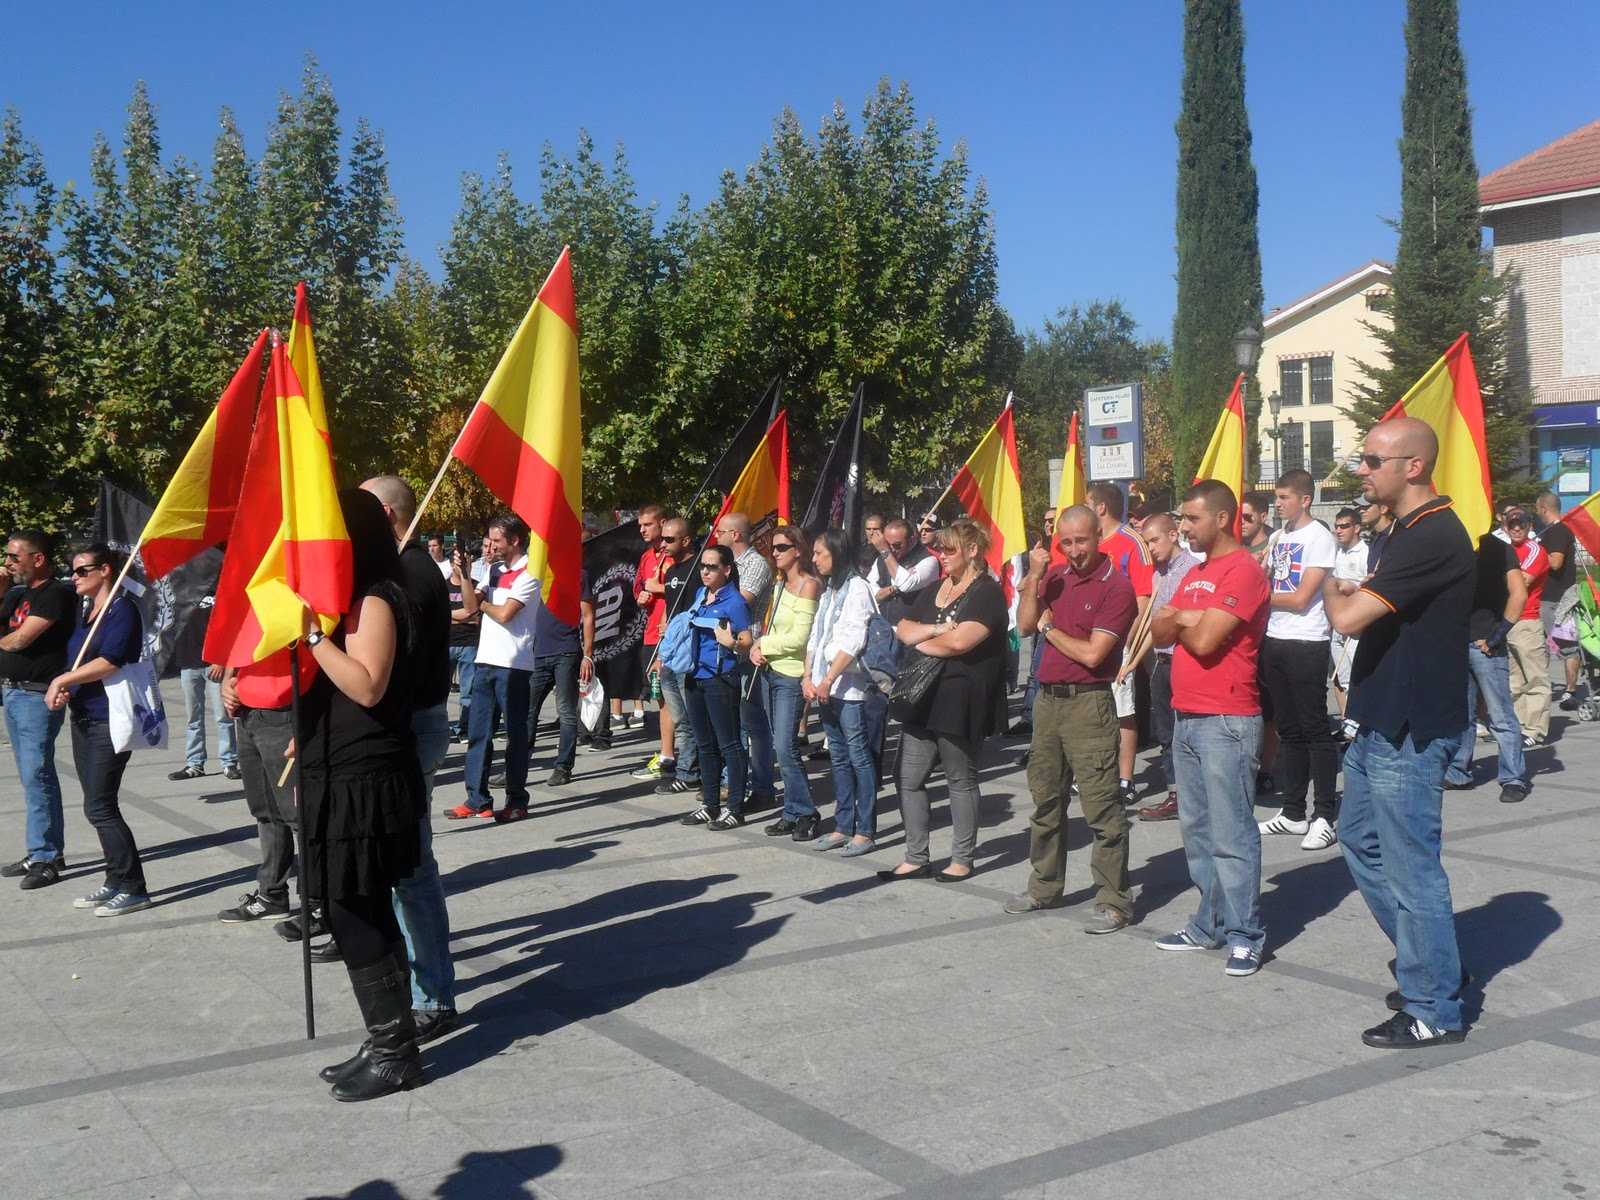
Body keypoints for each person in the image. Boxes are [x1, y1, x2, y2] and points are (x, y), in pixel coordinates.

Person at [1322, 416, 1474, 1049]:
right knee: (1358, 839)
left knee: (1413, 870)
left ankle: (1434, 1006)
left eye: (1374, 460)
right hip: (1381, 724)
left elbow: (1352, 616)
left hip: (1412, 731)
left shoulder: (1433, 532)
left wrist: (1331, 589)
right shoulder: (1405, 531)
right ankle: (1434, 965)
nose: (1363, 469)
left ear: (1413, 467)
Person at [295, 488, 428, 1100]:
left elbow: (369, 687)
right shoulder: (352, 600)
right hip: (341, 769)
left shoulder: (377, 597)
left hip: (367, 778)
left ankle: (396, 1051)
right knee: (362, 907)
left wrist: (315, 640)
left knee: (354, 910)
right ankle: (389, 1036)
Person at [1150, 483, 1271, 976]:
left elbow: (1201, 642)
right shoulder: (1195, 572)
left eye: (1192, 520)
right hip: (1186, 716)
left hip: (1227, 719)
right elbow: (1160, 630)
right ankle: (1209, 923)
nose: (1183, 528)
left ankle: (1246, 934)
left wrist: (1184, 618)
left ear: (1223, 519)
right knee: (1197, 831)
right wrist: (1185, 615)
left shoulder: (1243, 571)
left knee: (1233, 832)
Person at [359, 475, 459, 1041]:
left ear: (390, 514)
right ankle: (409, 976)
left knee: (412, 867)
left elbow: (396, 674)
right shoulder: (397, 570)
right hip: (400, 728)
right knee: (396, 865)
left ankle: (435, 996)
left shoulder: (413, 575)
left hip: (410, 730)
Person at [1004, 506, 1137, 930]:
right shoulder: (1056, 576)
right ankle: (1044, 887)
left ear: (1099, 535)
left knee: (1101, 807)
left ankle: (1114, 899)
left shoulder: (1116, 586)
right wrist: (1036, 580)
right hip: (1048, 702)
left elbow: (1093, 654)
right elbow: (1024, 626)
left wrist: (1049, 629)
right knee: (1045, 800)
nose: (1075, 550)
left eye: (1082, 540)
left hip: (1089, 703)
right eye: (1067, 542)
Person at [879, 519, 1008, 883]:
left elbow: (961, 642)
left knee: (960, 779)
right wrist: (935, 630)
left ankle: (962, 858)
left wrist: (921, 641)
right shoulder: (936, 587)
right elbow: (904, 629)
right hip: (922, 694)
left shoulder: (987, 592)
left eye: (950, 549)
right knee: (908, 777)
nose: (942, 555)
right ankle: (916, 856)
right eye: (941, 548)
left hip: (961, 695)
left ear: (971, 551)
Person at [45, 544, 150, 916]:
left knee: (101, 805)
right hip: (84, 718)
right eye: (71, 570)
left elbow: (110, 661)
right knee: (96, 806)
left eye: (81, 570)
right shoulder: (89, 613)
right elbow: (81, 662)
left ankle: (135, 887)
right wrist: (67, 689)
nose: (73, 577)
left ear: (105, 570)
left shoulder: (122, 610)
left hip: (110, 719)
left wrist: (62, 679)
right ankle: (114, 881)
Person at [1258, 469, 1339, 852]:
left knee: (1315, 729)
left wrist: (1256, 594)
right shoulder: (1278, 537)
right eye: (1276, 497)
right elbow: (1269, 581)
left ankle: (1324, 814)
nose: (1278, 503)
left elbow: (1302, 597)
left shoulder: (1319, 538)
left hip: (1307, 641)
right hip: (1275, 638)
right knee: (1288, 730)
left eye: (1284, 497)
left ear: (1305, 499)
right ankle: (1293, 812)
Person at [447, 514, 537, 820]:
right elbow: (472, 608)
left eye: (497, 540)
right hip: (484, 659)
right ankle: (477, 799)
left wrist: (478, 604)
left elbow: (503, 614)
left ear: (514, 541)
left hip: (513, 664)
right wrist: (465, 575)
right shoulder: (494, 570)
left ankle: (516, 801)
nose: (491, 546)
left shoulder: (529, 573)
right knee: (478, 734)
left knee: (515, 734)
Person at [0, 529, 76, 889]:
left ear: (38, 559)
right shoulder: (18, 595)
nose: (7, 563)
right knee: (33, 776)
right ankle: (44, 850)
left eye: (14, 557)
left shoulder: (55, 593)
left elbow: (20, 639)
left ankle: (45, 858)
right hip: (13, 695)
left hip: (36, 696)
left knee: (37, 775)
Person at [805, 529, 879, 856]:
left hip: (847, 688)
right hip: (823, 685)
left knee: (858, 755)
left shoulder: (858, 589)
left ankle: (865, 830)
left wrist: (827, 680)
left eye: (820, 552)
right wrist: (809, 676)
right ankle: (842, 824)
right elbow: (815, 637)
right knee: (837, 755)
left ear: (837, 552)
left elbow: (854, 639)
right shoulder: (829, 590)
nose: (814, 558)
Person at [1444, 532, 1529, 803]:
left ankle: (1513, 778)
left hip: (1486, 645)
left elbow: (1519, 593)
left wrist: (1497, 635)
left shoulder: (1498, 548)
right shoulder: (1450, 543)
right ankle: (1458, 770)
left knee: (1501, 715)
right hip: (1456, 644)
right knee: (1461, 716)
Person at [751, 525, 822, 840]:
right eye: (773, 548)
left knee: (786, 746)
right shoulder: (780, 585)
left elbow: (800, 639)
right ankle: (791, 811)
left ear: (798, 550)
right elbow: (776, 631)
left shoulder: (809, 585)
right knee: (781, 746)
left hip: (792, 675)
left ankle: (807, 812)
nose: (775, 553)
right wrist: (758, 645)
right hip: (770, 672)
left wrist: (763, 645)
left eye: (781, 547)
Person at [1087, 482, 1154, 807]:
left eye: (1087, 503)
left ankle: (1125, 779)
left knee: (1123, 712)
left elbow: (1144, 598)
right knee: (1093, 712)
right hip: (1088, 641)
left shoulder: (1131, 542)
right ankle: (1097, 773)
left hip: (1119, 645)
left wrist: (1126, 641)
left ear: (1101, 507)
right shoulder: (1091, 543)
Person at [676, 542, 752, 829]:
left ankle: (734, 807)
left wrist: (731, 642)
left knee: (730, 745)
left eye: (712, 567)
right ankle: (709, 805)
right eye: (703, 566)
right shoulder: (700, 595)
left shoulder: (735, 602)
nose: (705, 571)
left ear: (727, 570)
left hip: (721, 677)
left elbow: (746, 641)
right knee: (705, 745)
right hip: (694, 675)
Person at [1129, 512, 1199, 823]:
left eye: (1155, 540)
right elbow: (1153, 626)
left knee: (1191, 731)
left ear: (1173, 535)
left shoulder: (1193, 569)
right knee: (1167, 732)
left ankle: (1196, 792)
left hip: (1184, 659)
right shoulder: (1157, 574)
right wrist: (1131, 661)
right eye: (1146, 542)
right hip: (1160, 660)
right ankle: (1175, 794)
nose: (1151, 548)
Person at [716, 513, 777, 810]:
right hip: (725, 650)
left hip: (746, 650)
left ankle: (764, 787)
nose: (716, 535)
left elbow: (739, 603)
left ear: (736, 535)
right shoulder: (728, 566)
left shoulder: (755, 564)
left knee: (753, 723)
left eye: (721, 531)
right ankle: (734, 782)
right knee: (732, 722)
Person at [525, 568, 595, 789]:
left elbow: (589, 615)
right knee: (526, 711)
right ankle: (517, 766)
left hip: (566, 652)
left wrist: (587, 656)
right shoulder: (535, 571)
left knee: (565, 711)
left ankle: (563, 767)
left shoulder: (578, 575)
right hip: (537, 653)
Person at [652, 518, 700, 796]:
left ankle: (689, 772)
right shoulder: (670, 573)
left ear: (686, 540)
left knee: (692, 720)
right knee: (680, 720)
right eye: (663, 540)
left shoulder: (699, 569)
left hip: (691, 656)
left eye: (670, 540)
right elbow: (668, 612)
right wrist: (661, 654)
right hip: (671, 657)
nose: (664, 545)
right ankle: (688, 770)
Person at [170, 600, 240, 782]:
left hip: (213, 664)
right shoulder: (183, 592)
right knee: (193, 717)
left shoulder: (218, 592)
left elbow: (230, 630)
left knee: (223, 717)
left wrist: (221, 660)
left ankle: (229, 762)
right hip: (188, 663)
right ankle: (195, 763)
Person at [630, 502, 672, 780]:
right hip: (650, 634)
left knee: (671, 696)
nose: (643, 530)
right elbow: (639, 591)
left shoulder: (676, 556)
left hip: (670, 635)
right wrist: (642, 597)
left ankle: (670, 756)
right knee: (658, 696)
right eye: (640, 525)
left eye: (648, 524)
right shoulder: (646, 558)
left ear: (663, 523)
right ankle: (667, 752)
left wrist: (662, 587)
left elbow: (689, 588)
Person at [1503, 508, 1551, 748]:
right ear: (1505, 527)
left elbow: (1521, 582)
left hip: (1527, 622)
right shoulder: (1506, 550)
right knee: (1514, 681)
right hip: (1507, 622)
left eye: (1520, 523)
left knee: (1535, 679)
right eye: (1512, 524)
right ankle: (1519, 727)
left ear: (1529, 526)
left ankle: (1535, 730)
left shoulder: (1534, 551)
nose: (1516, 528)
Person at [1534, 491, 1582, 709]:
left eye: (1537, 510)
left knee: (1567, 646)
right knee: (1539, 648)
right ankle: (1539, 689)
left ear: (1544, 508)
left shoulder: (1557, 530)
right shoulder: (1552, 531)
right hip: (1547, 598)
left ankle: (1570, 691)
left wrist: (1534, 552)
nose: (1537, 514)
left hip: (1556, 599)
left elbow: (1555, 562)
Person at [1329, 507, 1370, 738]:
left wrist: (1351, 587)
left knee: (1357, 673)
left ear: (1357, 527)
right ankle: (1350, 724)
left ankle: (1361, 725)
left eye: (1343, 526)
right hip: (1337, 622)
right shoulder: (1338, 552)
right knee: (1342, 676)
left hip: (1356, 621)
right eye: (1336, 526)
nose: (1338, 530)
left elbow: (1369, 585)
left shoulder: (1365, 552)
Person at [446, 535, 481, 742]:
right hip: (448, 643)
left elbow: (474, 615)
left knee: (467, 692)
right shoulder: (443, 586)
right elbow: (438, 614)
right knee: (442, 691)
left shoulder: (474, 585)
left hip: (470, 644)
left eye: (464, 562)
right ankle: (442, 728)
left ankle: (464, 728)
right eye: (457, 562)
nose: (459, 565)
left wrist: (450, 616)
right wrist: (462, 616)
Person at [1241, 491, 1276, 565]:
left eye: (1247, 517)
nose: (1242, 521)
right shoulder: (1233, 546)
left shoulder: (1274, 547)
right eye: (1238, 517)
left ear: (1263, 517)